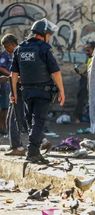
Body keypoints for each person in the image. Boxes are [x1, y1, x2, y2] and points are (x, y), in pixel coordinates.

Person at [11, 18, 65, 164]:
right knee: (38, 122)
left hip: (27, 92)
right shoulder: (44, 49)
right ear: (43, 34)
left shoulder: (20, 48)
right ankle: (33, 152)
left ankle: (34, 149)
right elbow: (56, 72)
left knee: (31, 122)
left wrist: (15, 93)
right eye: (49, 34)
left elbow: (14, 74)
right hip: (42, 92)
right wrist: (62, 91)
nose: (50, 38)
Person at [74, 41, 95, 123]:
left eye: (88, 50)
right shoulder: (90, 59)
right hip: (86, 81)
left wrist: (82, 74)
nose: (86, 53)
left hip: (91, 82)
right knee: (81, 97)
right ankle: (79, 117)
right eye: (86, 50)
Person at [0, 35, 14, 134]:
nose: (6, 48)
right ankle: (3, 127)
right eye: (5, 46)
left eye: (7, 46)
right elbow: (1, 67)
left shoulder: (15, 53)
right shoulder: (5, 55)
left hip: (12, 84)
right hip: (6, 85)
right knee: (5, 107)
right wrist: (12, 75)